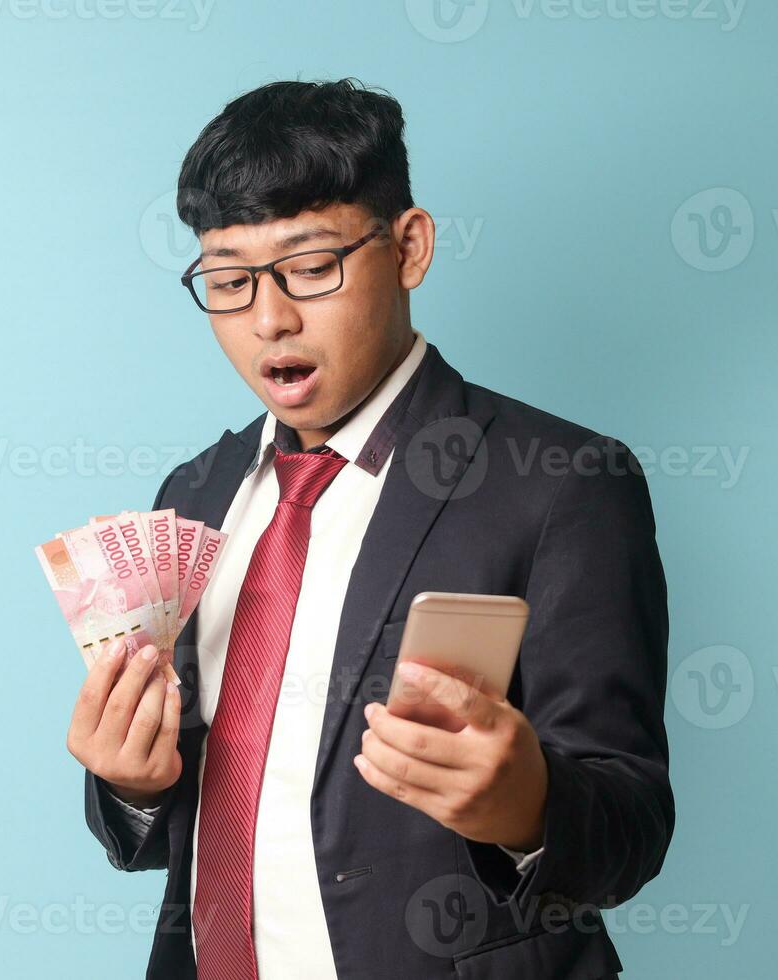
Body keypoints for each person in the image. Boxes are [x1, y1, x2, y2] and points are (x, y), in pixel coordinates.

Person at [66, 78, 673, 979]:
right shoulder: (194, 494)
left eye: (311, 268)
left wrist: (527, 806)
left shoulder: (563, 484)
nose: (269, 317)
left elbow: (630, 823)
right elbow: (196, 825)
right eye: (229, 280)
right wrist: (131, 784)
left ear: (410, 247)